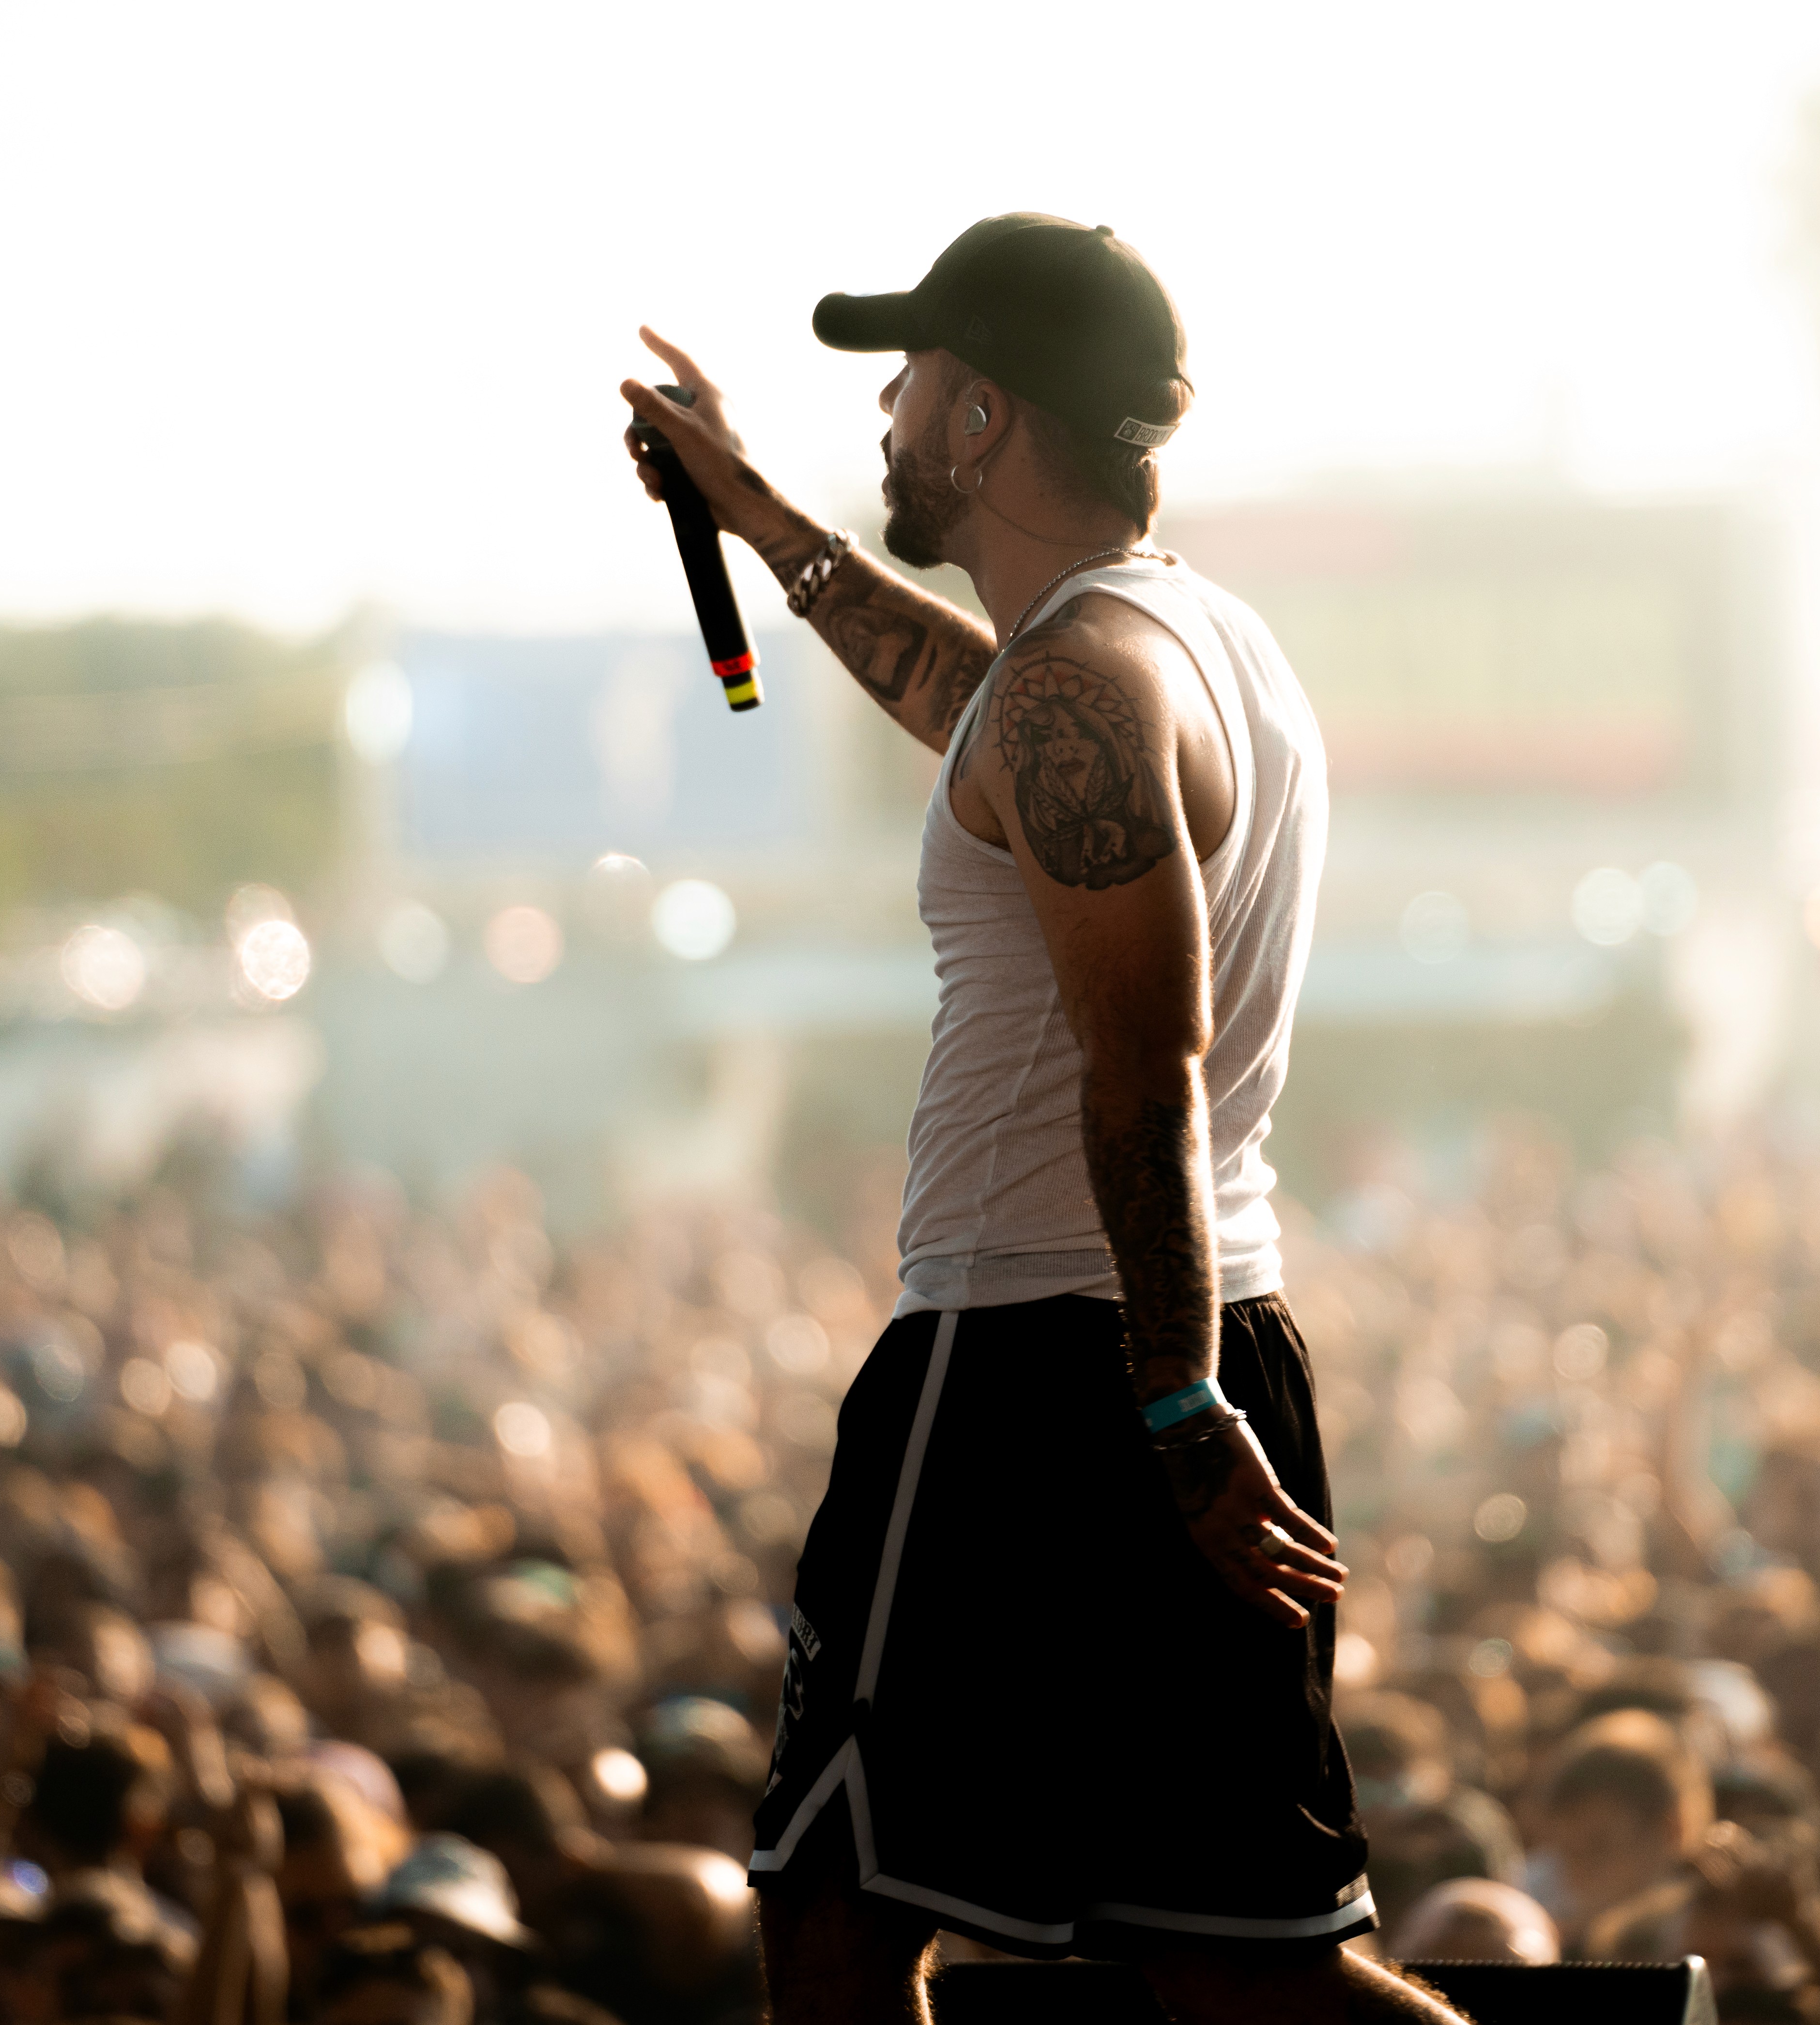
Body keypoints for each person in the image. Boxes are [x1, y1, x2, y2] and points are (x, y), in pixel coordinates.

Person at [616, 215, 1443, 2025]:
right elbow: (977, 719)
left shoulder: (1081, 677)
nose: (891, 416)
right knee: (1236, 1970)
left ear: (983, 420)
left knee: (833, 1919)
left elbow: (1136, 1068)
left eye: (908, 384)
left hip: (1047, 1364)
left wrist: (1168, 1404)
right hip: (1177, 1340)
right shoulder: (1161, 645)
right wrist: (757, 516)